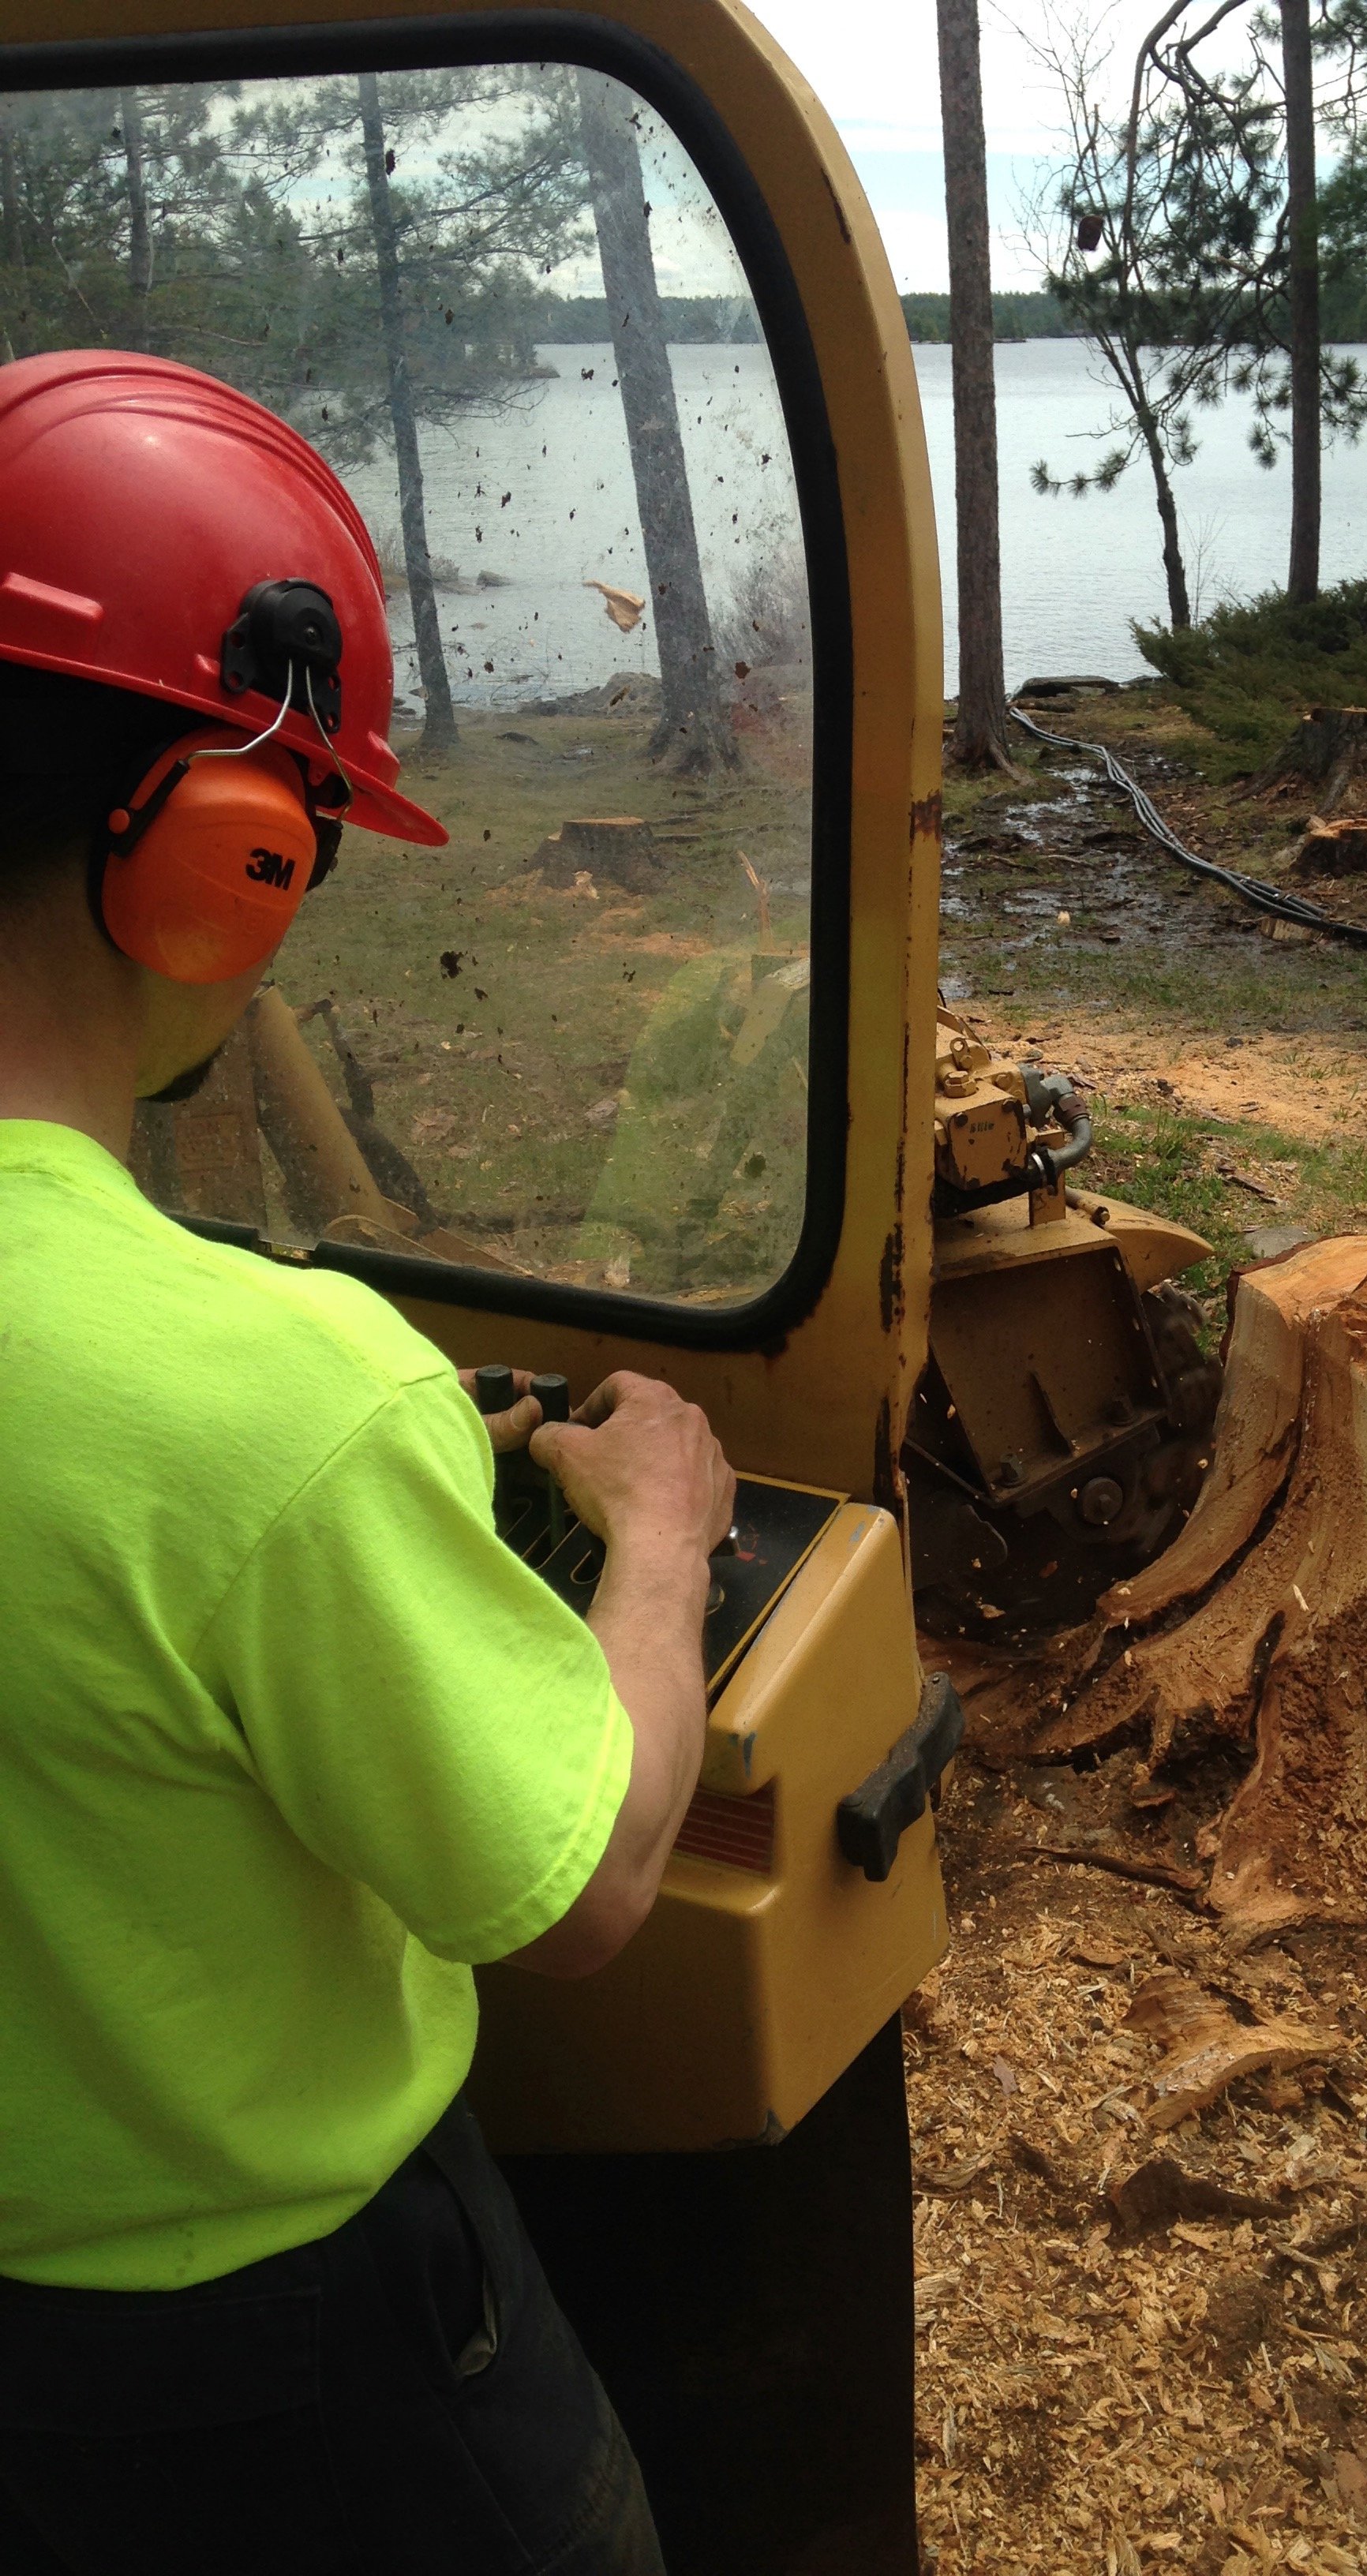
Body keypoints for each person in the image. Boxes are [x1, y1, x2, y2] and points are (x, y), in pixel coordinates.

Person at [0, 351, 734, 2574]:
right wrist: (665, 1549)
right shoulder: (283, 1401)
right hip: (276, 2391)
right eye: (298, 842)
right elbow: (589, 1885)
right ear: (220, 861)